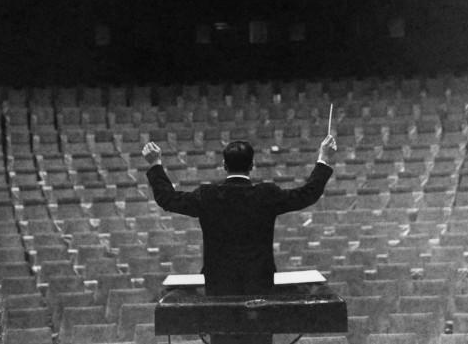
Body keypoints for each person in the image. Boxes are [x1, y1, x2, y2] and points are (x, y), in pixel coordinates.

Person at [143, 135, 336, 343]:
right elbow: (308, 193)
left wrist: (155, 164)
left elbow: (168, 199)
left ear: (224, 165)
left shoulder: (208, 196)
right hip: (259, 289)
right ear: (252, 165)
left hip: (220, 291)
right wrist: (323, 157)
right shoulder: (266, 194)